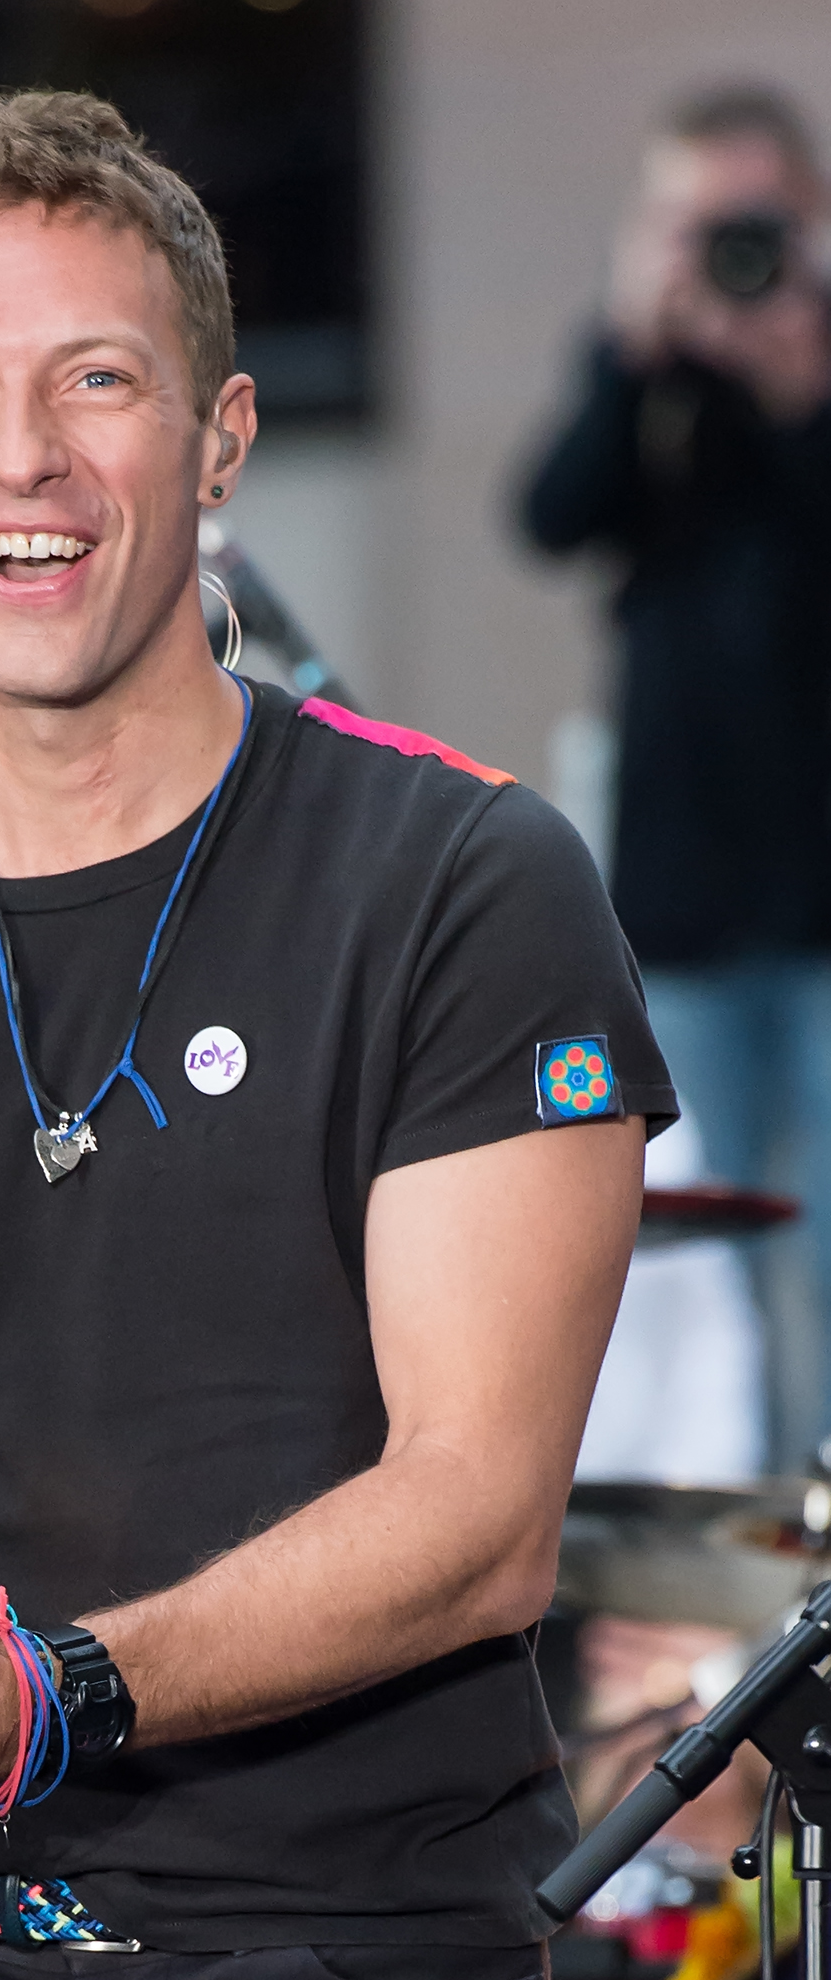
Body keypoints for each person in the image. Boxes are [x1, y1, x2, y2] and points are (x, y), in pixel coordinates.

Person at [0, 90, 675, 1980]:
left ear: (220, 435)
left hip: (340, 1949)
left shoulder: (467, 880)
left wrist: (38, 1699)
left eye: (95, 381)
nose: (22, 458)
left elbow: (481, 1517)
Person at [518, 85, 831, 1471]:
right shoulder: (646, 379)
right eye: (693, 225)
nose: (726, 256)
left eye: (750, 224)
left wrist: (796, 392)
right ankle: (756, 1616)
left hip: (826, 902)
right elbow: (546, 515)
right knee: (700, 1271)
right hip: (685, 898)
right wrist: (632, 344)